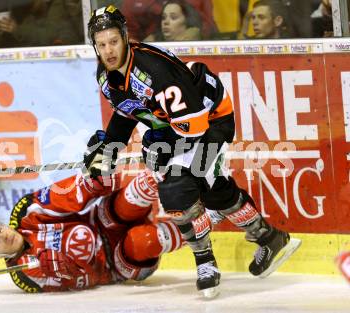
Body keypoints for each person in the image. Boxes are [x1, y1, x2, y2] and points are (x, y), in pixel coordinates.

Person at [84, 5, 301, 299]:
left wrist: (164, 146)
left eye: (113, 41)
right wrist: (109, 148)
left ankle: (206, 262)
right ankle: (270, 238)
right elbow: (127, 113)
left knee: (179, 186)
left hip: (211, 117)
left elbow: (195, 125)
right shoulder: (106, 75)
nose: (108, 50)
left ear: (125, 38)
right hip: (182, 124)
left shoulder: (153, 70)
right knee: (207, 189)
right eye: (101, 44)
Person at [0, 170, 184, 292]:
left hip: (103, 219)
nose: (2, 235)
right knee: (144, 241)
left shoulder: (26, 214)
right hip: (114, 264)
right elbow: (87, 280)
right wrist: (66, 272)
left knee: (139, 188)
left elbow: (64, 197)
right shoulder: (26, 276)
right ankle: (203, 224)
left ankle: (180, 170)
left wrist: (90, 182)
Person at [0, 0, 84, 47]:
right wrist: (4, 30)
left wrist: (18, 30)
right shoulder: (29, 17)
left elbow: (55, 36)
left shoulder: (59, 11)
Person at [120, 0, 217, 41]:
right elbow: (126, 35)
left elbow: (209, 28)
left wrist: (198, 33)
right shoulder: (134, 3)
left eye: (173, 17)